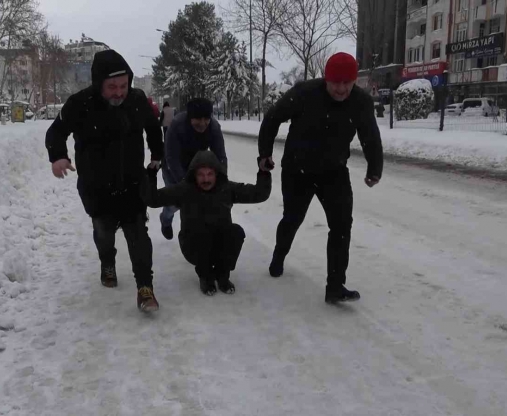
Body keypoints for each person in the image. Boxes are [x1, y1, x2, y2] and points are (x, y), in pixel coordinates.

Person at [257, 52, 384, 304]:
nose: (341, 88)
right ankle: (278, 256)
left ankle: (335, 286)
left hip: (333, 171)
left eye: (347, 83)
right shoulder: (304, 93)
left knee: (341, 225)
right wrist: (264, 154)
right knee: (292, 218)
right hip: (297, 169)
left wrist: (374, 168)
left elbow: (370, 135)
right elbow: (272, 118)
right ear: (326, 79)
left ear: (354, 80)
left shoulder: (361, 102)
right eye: (335, 82)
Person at [45, 49, 164, 313]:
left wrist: (157, 155)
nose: (119, 92)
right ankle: (107, 263)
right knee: (104, 233)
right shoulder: (80, 104)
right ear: (99, 83)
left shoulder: (136, 100)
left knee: (138, 235)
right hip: (96, 188)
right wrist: (58, 156)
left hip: (132, 183)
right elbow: (56, 132)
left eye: (123, 85)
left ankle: (145, 288)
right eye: (112, 87)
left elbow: (153, 128)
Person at [142, 150, 271, 295]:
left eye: (210, 174)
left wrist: (264, 172)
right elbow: (153, 200)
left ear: (217, 174)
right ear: (194, 175)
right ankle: (206, 276)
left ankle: (223, 275)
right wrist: (151, 175)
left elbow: (259, 194)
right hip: (193, 245)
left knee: (235, 231)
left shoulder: (226, 188)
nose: (206, 179)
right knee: (201, 231)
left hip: (219, 242)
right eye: (201, 175)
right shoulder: (184, 190)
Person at [159, 98, 227, 240]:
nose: (202, 123)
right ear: (190, 117)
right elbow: (171, 157)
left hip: (196, 165)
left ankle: (193, 235)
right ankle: (165, 219)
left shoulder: (214, 127)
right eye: (197, 119)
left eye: (206, 119)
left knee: (198, 202)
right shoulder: (177, 125)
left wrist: (221, 180)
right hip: (172, 166)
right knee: (176, 202)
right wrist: (185, 183)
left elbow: (220, 157)